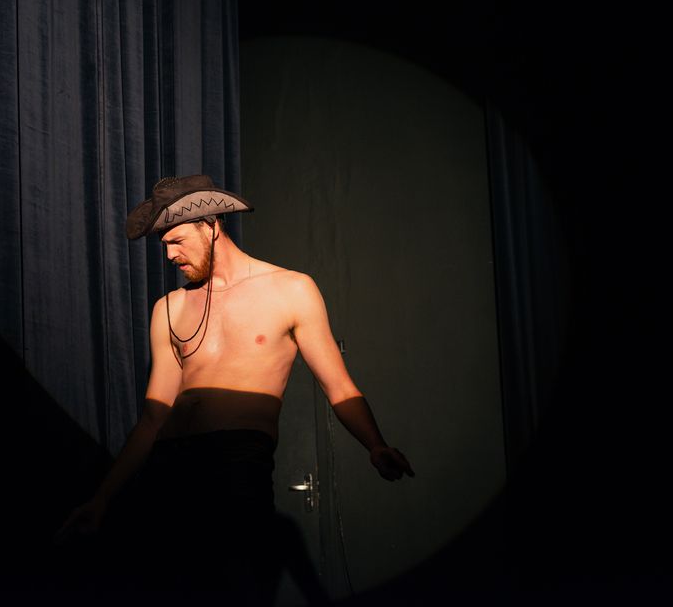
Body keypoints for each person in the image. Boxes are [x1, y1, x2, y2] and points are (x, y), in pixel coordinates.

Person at [56, 174, 413, 605]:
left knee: (234, 586)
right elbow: (153, 417)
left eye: (177, 241)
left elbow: (338, 386)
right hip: (168, 467)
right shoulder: (168, 307)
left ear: (210, 226)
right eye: (164, 245)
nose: (169, 255)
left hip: (236, 461)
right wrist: (103, 498)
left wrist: (375, 444)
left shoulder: (291, 289)